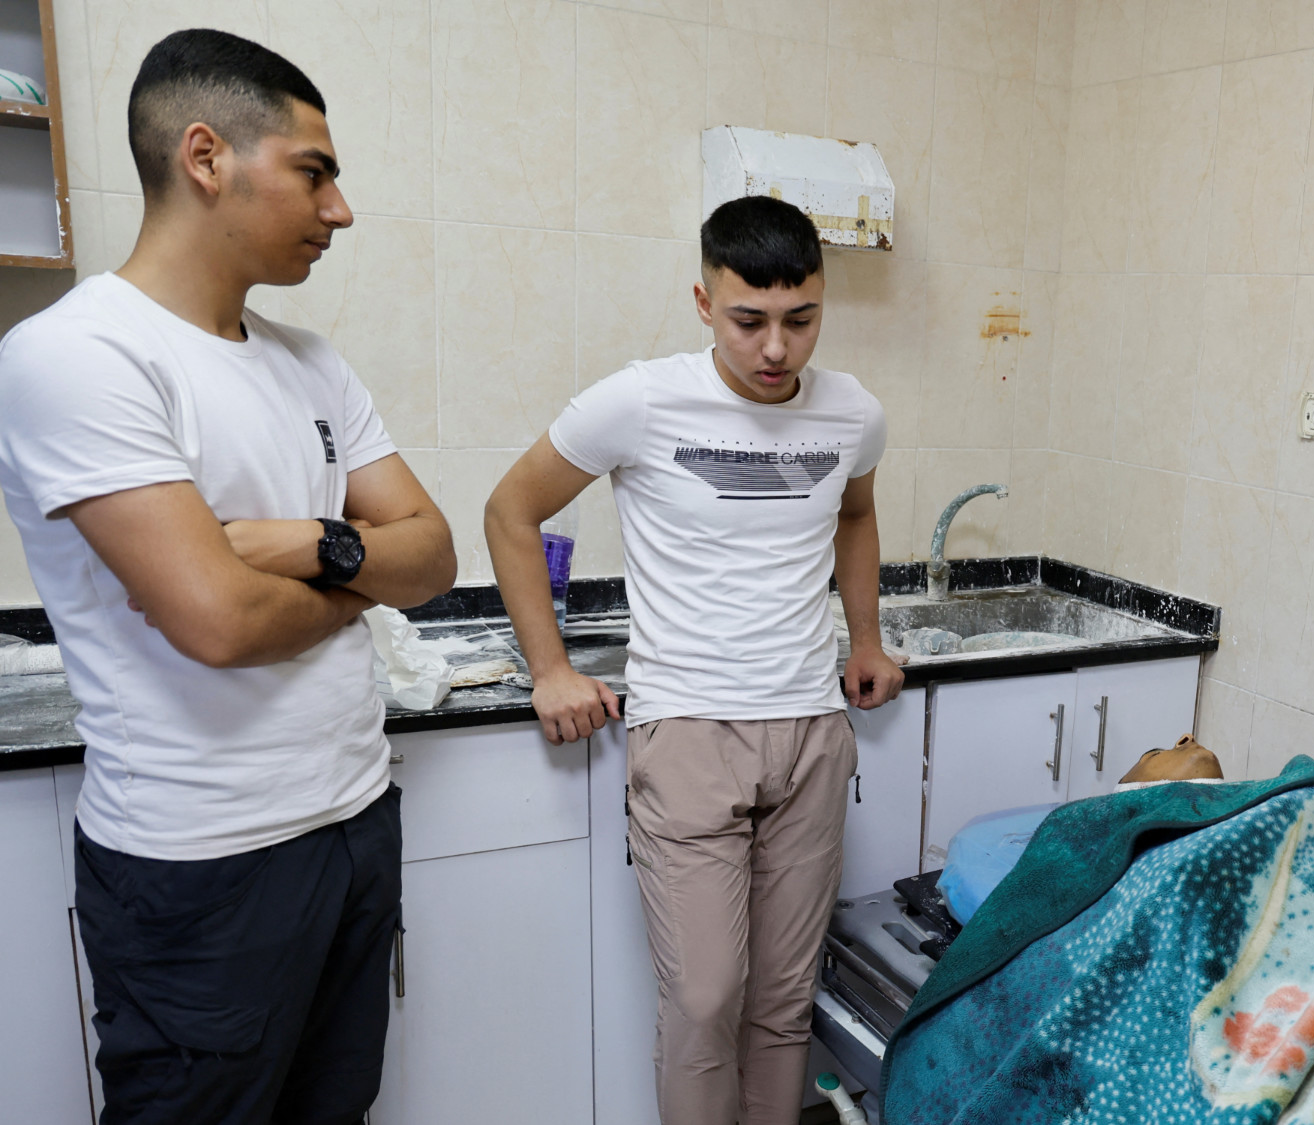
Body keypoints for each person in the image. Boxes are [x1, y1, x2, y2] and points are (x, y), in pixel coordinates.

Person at [0, 29, 456, 1125]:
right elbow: (217, 620)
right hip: (202, 864)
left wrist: (307, 542)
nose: (338, 208)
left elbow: (434, 556)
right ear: (205, 156)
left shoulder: (309, 360)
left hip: (353, 824)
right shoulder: (80, 355)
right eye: (315, 170)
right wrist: (355, 565)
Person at [484, 194, 903, 1124]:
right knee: (706, 995)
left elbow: (858, 513)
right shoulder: (639, 400)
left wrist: (864, 638)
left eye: (801, 321)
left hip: (810, 734)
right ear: (703, 301)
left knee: (784, 999)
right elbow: (511, 512)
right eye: (749, 321)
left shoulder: (851, 413)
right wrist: (550, 667)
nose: (775, 350)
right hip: (688, 736)